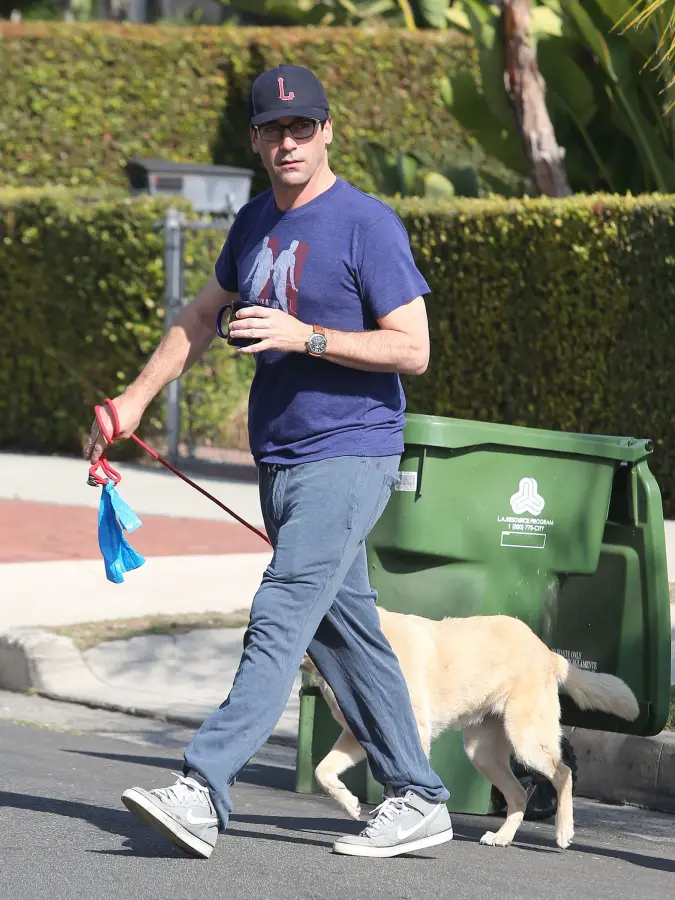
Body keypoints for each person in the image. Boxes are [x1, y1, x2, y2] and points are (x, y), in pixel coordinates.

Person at [84, 63, 453, 860]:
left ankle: (202, 786)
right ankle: (418, 795)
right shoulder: (253, 222)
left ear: (327, 132)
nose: (289, 142)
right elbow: (200, 316)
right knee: (342, 632)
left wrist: (305, 337)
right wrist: (134, 400)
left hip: (349, 451)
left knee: (282, 609)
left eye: (302, 127)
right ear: (254, 140)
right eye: (273, 129)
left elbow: (412, 349)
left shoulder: (365, 224)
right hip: (280, 458)